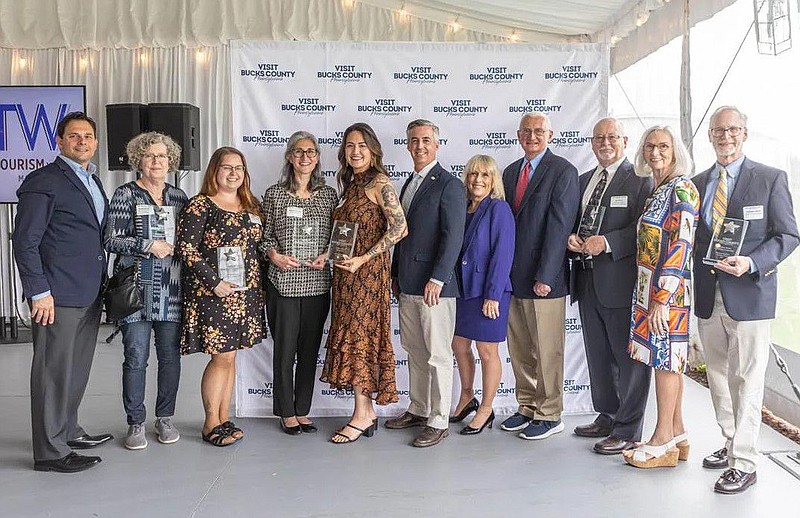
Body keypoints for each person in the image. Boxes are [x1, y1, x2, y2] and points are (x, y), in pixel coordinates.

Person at [692, 106, 799, 493]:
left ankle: (746, 460)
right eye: (719, 130)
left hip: (750, 295)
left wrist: (752, 261)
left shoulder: (770, 179)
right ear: (709, 135)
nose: (726, 136)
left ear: (745, 133)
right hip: (709, 295)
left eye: (733, 129)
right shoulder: (696, 182)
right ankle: (730, 440)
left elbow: (787, 235)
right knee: (717, 377)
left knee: (748, 380)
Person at [13, 111, 112, 472]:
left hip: (87, 291)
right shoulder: (44, 180)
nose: (82, 141)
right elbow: (25, 241)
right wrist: (39, 291)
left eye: (87, 136)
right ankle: (50, 453)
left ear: (96, 142)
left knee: (75, 369)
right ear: (59, 140)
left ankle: (68, 430)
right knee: (53, 372)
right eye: (74, 136)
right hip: (56, 295)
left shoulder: (91, 181)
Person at [567, 118, 653, 455]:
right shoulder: (585, 180)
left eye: (612, 137)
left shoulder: (640, 180)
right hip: (586, 280)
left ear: (625, 140)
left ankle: (629, 429)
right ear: (591, 142)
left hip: (620, 282)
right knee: (599, 355)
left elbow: (646, 228)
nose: (605, 143)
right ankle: (607, 415)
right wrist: (572, 238)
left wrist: (609, 243)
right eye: (599, 137)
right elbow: (576, 221)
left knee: (627, 358)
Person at [320, 122, 407, 443]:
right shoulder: (350, 183)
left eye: (362, 146)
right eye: (349, 146)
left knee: (362, 340)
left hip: (368, 278)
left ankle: (363, 413)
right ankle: (364, 410)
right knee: (353, 336)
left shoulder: (379, 183)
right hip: (344, 277)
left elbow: (400, 228)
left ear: (373, 150)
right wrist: (328, 255)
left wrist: (364, 258)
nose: (355, 151)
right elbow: (347, 231)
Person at [105, 132, 188, 450]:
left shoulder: (179, 198)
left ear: (171, 161)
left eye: (162, 156)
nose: (156, 161)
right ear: (138, 159)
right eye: (150, 155)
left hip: (172, 290)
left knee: (170, 358)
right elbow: (110, 239)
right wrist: (147, 245)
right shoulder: (125, 194)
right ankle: (135, 422)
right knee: (136, 357)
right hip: (136, 290)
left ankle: (165, 417)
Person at [177, 147, 265, 447]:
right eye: (226, 167)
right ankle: (210, 423)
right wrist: (214, 283)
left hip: (245, 295)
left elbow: (258, 248)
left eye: (239, 167)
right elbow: (187, 249)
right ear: (214, 171)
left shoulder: (252, 206)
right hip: (214, 294)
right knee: (221, 357)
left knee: (230, 357)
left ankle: (224, 418)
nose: (233, 173)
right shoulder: (200, 205)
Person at [386, 119, 466, 448]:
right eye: (414, 140)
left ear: (437, 144)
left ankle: (439, 419)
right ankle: (419, 408)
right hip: (407, 283)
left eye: (426, 140)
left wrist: (438, 277)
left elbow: (453, 238)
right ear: (407, 145)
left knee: (437, 355)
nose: (419, 146)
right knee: (415, 352)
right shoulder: (408, 183)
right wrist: (394, 274)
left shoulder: (449, 184)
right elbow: (401, 237)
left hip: (435, 288)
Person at [623, 125, 699, 469]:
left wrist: (662, 298)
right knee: (668, 361)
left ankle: (661, 439)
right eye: (650, 146)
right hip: (650, 290)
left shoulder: (682, 188)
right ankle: (678, 433)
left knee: (666, 362)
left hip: (668, 294)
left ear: (675, 151)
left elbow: (681, 245)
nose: (655, 152)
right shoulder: (657, 189)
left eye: (663, 146)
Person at [499, 112, 579, 440]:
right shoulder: (509, 172)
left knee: (547, 350)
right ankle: (528, 405)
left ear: (550, 134)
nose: (532, 136)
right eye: (527, 131)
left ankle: (550, 413)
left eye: (538, 131)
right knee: (520, 348)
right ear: (519, 135)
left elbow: (560, 226)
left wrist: (546, 274)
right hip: (513, 277)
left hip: (545, 278)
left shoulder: (563, 171)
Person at [260, 131, 337, 435]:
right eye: (299, 151)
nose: (305, 157)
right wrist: (274, 255)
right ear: (290, 157)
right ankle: (286, 411)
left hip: (318, 284)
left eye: (311, 152)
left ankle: (303, 409)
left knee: (309, 350)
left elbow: (338, 237)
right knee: (284, 350)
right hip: (283, 285)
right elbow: (263, 237)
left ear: (317, 158)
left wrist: (328, 254)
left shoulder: (329, 195)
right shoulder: (274, 194)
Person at [450, 155, 514, 435]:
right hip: (462, 290)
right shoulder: (461, 208)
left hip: (488, 291)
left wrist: (493, 295)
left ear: (493, 180)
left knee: (487, 351)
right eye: (473, 174)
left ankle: (486, 408)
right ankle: (467, 396)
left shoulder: (499, 209)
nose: (478, 180)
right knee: (458, 345)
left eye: (485, 175)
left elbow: (503, 255)